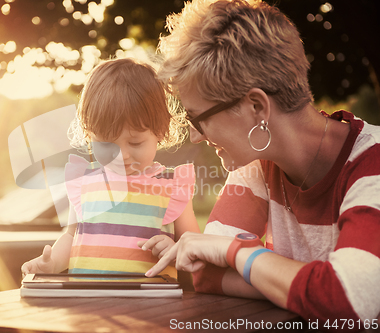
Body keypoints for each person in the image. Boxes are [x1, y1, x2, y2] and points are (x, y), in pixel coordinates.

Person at [142, 0, 380, 329]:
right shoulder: (257, 163)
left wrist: (237, 254)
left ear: (256, 107)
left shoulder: (373, 164)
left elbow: (345, 302)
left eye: (200, 119)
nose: (196, 137)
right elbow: (206, 273)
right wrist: (305, 287)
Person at [22, 58, 200, 278]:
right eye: (106, 143)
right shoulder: (84, 182)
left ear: (160, 131)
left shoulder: (172, 186)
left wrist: (174, 248)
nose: (121, 155)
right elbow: (71, 237)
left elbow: (194, 247)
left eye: (135, 143)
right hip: (88, 301)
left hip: (151, 303)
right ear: (89, 135)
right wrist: (51, 264)